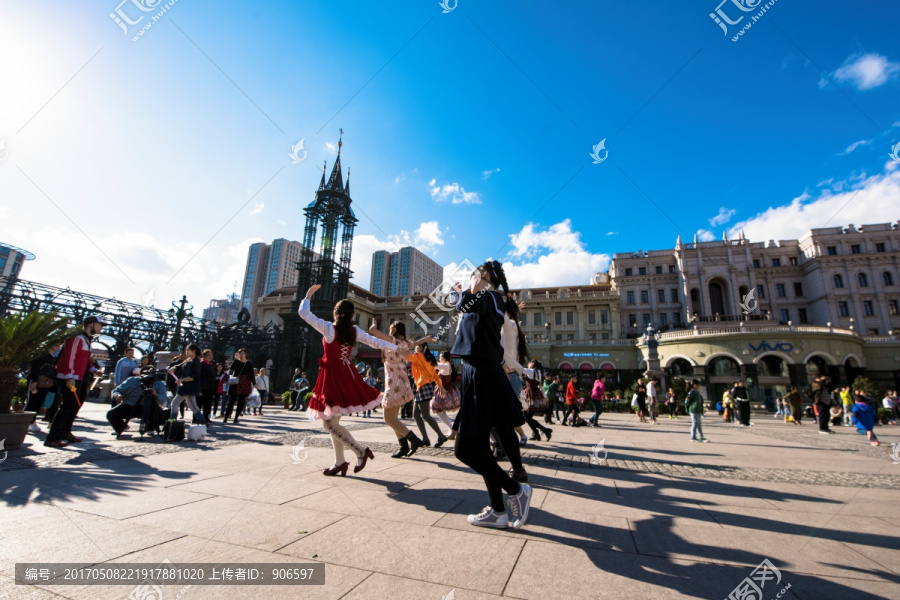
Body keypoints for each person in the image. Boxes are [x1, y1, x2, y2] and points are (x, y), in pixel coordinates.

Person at [450, 260, 531, 530]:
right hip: (478, 371)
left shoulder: (488, 296)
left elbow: (464, 305)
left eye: (476, 274)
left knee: (464, 450)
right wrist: (467, 292)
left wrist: (470, 291)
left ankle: (515, 490)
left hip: (482, 373)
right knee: (481, 448)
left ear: (484, 276)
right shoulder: (491, 299)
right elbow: (465, 310)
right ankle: (498, 511)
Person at [299, 283, 396, 476]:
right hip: (347, 374)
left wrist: (308, 295)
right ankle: (340, 462)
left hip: (332, 376)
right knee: (333, 421)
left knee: (329, 423)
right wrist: (395, 348)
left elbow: (304, 314)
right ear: (351, 315)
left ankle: (360, 451)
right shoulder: (354, 331)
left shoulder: (328, 328)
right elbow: (374, 342)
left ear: (336, 313)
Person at [368, 319, 427, 458]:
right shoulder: (405, 342)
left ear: (394, 330)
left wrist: (373, 326)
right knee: (393, 418)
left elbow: (373, 332)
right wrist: (427, 338)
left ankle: (414, 440)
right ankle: (404, 447)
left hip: (394, 381)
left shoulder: (392, 341)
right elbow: (416, 343)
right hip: (401, 379)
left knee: (388, 418)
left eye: (391, 329)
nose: (389, 331)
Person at [45, 315, 105, 448]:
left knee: (75, 404)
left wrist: (93, 370)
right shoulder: (77, 338)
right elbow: (69, 358)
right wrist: (69, 376)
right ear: (91, 325)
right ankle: (52, 437)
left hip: (80, 377)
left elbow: (83, 361)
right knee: (68, 405)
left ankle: (65, 432)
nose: (101, 327)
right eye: (100, 325)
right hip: (72, 378)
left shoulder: (86, 340)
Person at [408, 342, 448, 447]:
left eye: (416, 345)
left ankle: (441, 435)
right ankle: (425, 438)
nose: (415, 346)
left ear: (421, 347)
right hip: (422, 386)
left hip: (422, 386)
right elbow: (435, 375)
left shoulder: (418, 356)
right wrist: (441, 387)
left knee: (425, 415)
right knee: (416, 414)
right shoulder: (427, 357)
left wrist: (400, 346)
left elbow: (406, 357)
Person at [108, 366, 158, 438]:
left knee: (160, 414)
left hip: (149, 407)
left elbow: (164, 400)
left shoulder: (158, 383)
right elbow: (116, 390)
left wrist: (156, 395)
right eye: (145, 374)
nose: (148, 377)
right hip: (130, 405)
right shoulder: (132, 380)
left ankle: (150, 428)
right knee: (111, 414)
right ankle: (121, 427)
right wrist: (117, 395)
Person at [24, 343, 62, 434]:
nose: (58, 345)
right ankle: (27, 422)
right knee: (32, 402)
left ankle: (32, 421)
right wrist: (34, 380)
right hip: (37, 381)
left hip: (45, 383)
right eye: (57, 343)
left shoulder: (52, 356)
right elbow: (35, 368)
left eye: (60, 344)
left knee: (39, 402)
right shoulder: (41, 355)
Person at [169, 344, 207, 425]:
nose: (186, 352)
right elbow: (179, 365)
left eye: (188, 350)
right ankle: (203, 422)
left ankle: (172, 422)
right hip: (186, 387)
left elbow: (195, 376)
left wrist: (182, 379)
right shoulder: (189, 360)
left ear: (194, 351)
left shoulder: (196, 362)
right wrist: (174, 367)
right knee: (191, 406)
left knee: (190, 406)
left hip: (189, 388)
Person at [521, 359, 553, 441]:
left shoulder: (531, 371)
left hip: (530, 396)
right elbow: (541, 386)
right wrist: (544, 397)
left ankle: (544, 430)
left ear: (533, 364)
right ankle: (536, 433)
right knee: (528, 417)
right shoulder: (538, 372)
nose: (529, 363)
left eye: (531, 362)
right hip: (535, 395)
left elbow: (520, 369)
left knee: (527, 417)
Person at [432, 352, 461, 439]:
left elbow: (434, 365)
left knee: (439, 411)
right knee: (441, 411)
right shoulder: (447, 365)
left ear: (445, 358)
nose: (439, 358)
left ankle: (451, 429)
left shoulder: (445, 366)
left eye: (440, 357)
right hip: (446, 389)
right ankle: (451, 430)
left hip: (444, 390)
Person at [222, 349, 255, 424]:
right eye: (240, 353)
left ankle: (236, 418)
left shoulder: (249, 363)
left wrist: (254, 383)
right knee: (231, 401)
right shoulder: (236, 362)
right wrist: (236, 360)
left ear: (245, 354)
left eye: (243, 353)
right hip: (235, 383)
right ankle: (226, 417)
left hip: (244, 383)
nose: (242, 355)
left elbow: (251, 374)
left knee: (241, 402)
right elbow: (232, 369)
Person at [199, 350, 217, 421]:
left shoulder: (211, 365)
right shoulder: (201, 364)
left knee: (208, 404)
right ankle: (196, 418)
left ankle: (206, 417)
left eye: (211, 355)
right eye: (209, 355)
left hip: (210, 388)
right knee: (199, 404)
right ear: (204, 356)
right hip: (202, 387)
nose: (210, 357)